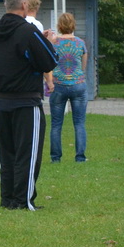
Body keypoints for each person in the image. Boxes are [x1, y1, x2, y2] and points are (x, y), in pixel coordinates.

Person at [0, 0, 60, 210]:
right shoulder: (28, 32)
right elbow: (48, 61)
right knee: (28, 154)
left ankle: (7, 199)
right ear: (25, 6)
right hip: (26, 100)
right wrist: (48, 42)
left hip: (1, 99)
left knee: (7, 153)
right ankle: (23, 200)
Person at [49, 13, 90, 164]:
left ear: (59, 26)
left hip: (58, 86)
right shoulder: (80, 43)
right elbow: (83, 65)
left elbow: (48, 64)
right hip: (78, 85)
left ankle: (55, 158)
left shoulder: (54, 44)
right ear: (73, 25)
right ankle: (80, 157)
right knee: (79, 123)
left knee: (56, 124)